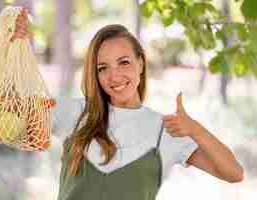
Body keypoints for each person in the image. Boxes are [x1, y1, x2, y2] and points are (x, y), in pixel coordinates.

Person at [12, 8, 244, 200]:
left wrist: (195, 129)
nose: (114, 76)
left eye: (123, 62)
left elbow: (234, 173)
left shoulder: (164, 131)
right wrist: (16, 46)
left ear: (141, 63)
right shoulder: (74, 113)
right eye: (103, 68)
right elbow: (9, 111)